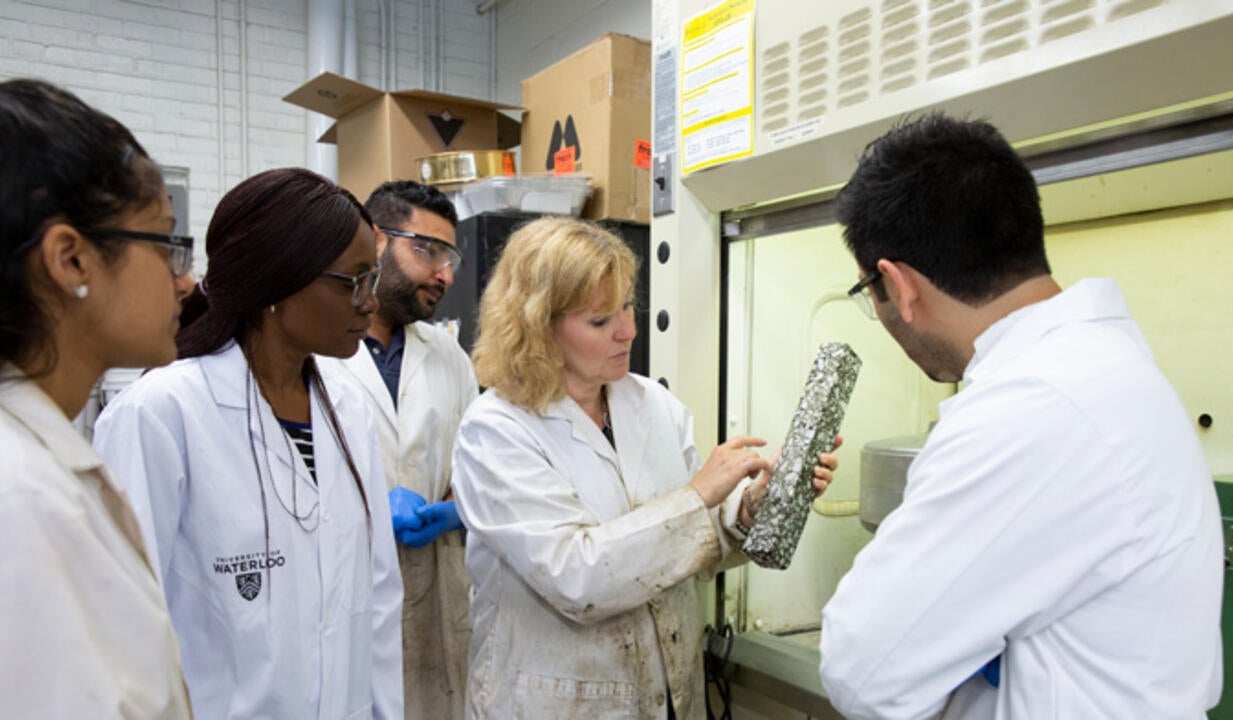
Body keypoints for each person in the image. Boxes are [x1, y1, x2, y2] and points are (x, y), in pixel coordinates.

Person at [818, 113, 1223, 718]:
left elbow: (862, 670)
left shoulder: (1029, 407)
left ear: (899, 286)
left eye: (867, 292)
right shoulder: (1102, 370)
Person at [450, 216, 839, 719]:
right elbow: (576, 578)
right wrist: (698, 495)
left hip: (669, 694)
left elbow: (689, 545)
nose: (628, 331)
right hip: (557, 703)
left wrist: (750, 508)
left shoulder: (651, 404)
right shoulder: (496, 431)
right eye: (600, 321)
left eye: (627, 306)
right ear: (538, 325)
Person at [93, 167, 404, 719]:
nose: (370, 303)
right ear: (277, 283)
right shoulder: (161, 415)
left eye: (373, 280)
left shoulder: (348, 410)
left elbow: (378, 599)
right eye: (353, 281)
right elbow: (119, 625)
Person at [0, 79, 193, 717]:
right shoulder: (20, 499)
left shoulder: (38, 467)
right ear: (71, 260)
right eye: (165, 244)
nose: (184, 280)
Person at [318, 180, 477, 720]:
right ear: (375, 242)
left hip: (439, 598)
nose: (444, 275)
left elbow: (472, 464)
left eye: (450, 258)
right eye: (427, 250)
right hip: (348, 592)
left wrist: (456, 506)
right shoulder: (318, 353)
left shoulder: (450, 356)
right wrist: (363, 511)